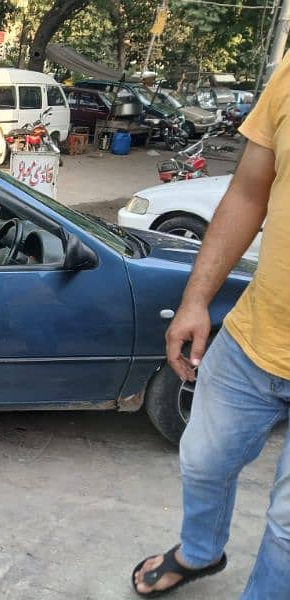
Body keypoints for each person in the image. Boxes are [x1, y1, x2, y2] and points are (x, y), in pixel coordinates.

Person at [131, 54, 290, 598]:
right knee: (202, 460)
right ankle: (200, 552)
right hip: (254, 338)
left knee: (288, 532)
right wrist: (196, 300)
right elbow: (250, 192)